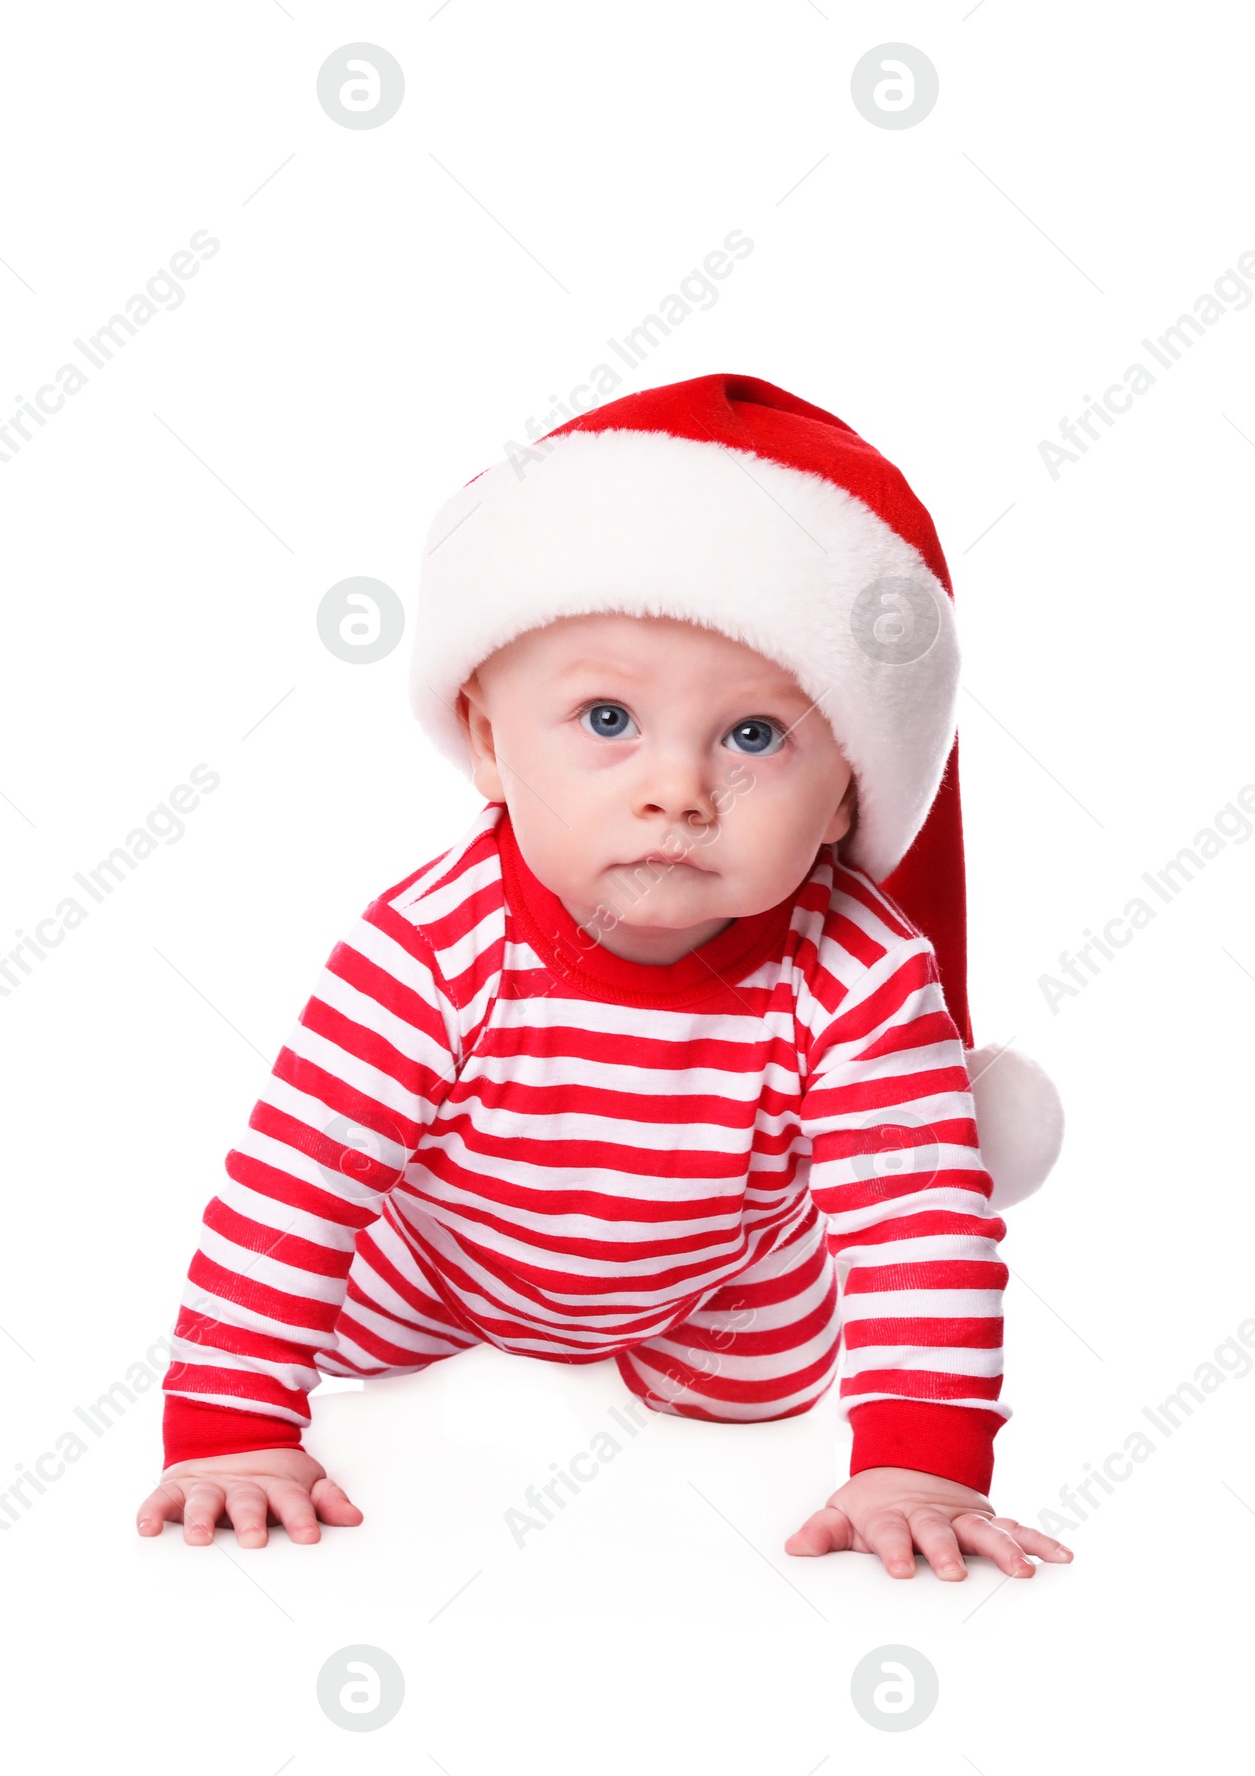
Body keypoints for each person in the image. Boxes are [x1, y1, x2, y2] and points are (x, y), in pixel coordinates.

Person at [136, 373, 1068, 1581]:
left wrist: (921, 1462)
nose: (676, 790)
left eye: (753, 737)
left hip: (720, 1279)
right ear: (486, 740)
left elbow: (914, 1218)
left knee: (763, 1392)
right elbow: (295, 1182)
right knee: (350, 1334)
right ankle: (405, 1339)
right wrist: (229, 1426)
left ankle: (700, 1362)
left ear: (848, 789)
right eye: (607, 717)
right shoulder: (429, 948)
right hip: (442, 1259)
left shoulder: (860, 973)